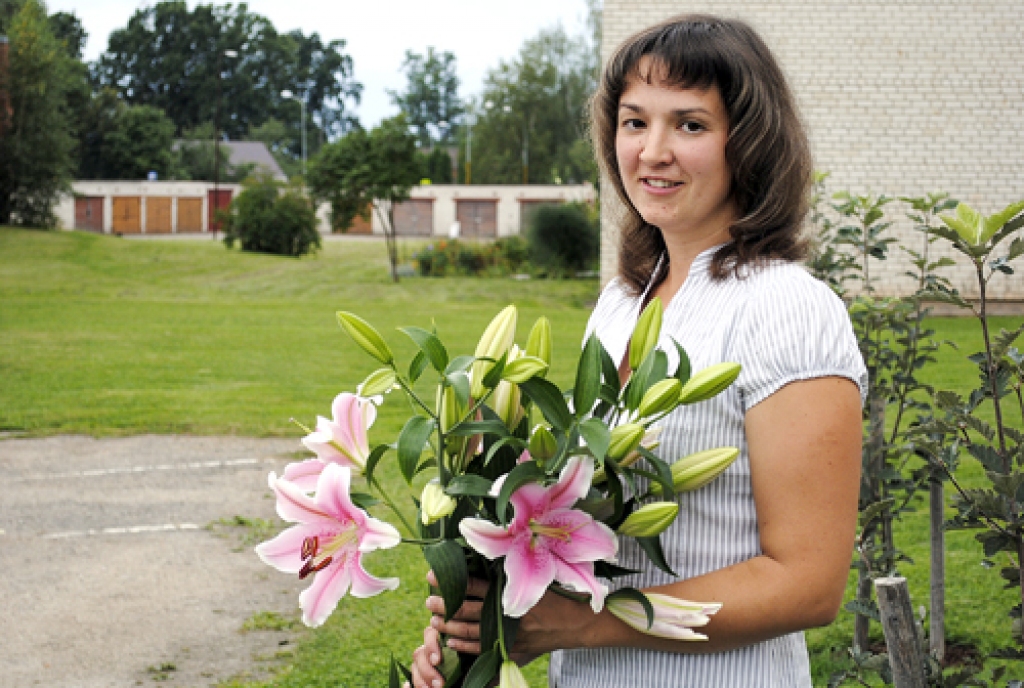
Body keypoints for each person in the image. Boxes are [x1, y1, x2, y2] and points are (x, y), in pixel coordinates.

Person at [410, 14, 866, 688]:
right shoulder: (625, 300)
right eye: (634, 121)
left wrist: (590, 621)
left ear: (749, 140)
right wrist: (477, 609)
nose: (653, 151)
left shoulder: (785, 307)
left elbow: (806, 584)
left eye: (690, 124)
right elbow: (576, 518)